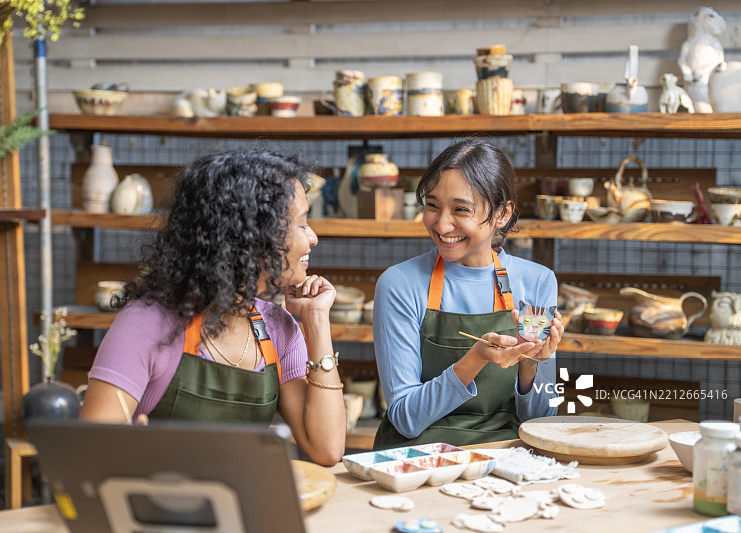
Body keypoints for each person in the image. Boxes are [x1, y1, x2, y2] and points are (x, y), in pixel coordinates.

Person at [79, 148, 346, 466]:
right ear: (251, 237)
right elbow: (89, 457)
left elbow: (327, 449)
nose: (313, 238)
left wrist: (316, 321)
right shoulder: (146, 324)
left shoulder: (277, 328)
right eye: (301, 224)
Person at [372, 139, 563, 450]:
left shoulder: (536, 283)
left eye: (461, 209)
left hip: (506, 455)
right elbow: (405, 419)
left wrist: (531, 361)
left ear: (502, 214)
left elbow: (540, 420)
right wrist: (476, 358)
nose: (442, 224)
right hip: (420, 458)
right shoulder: (399, 285)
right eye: (432, 205)